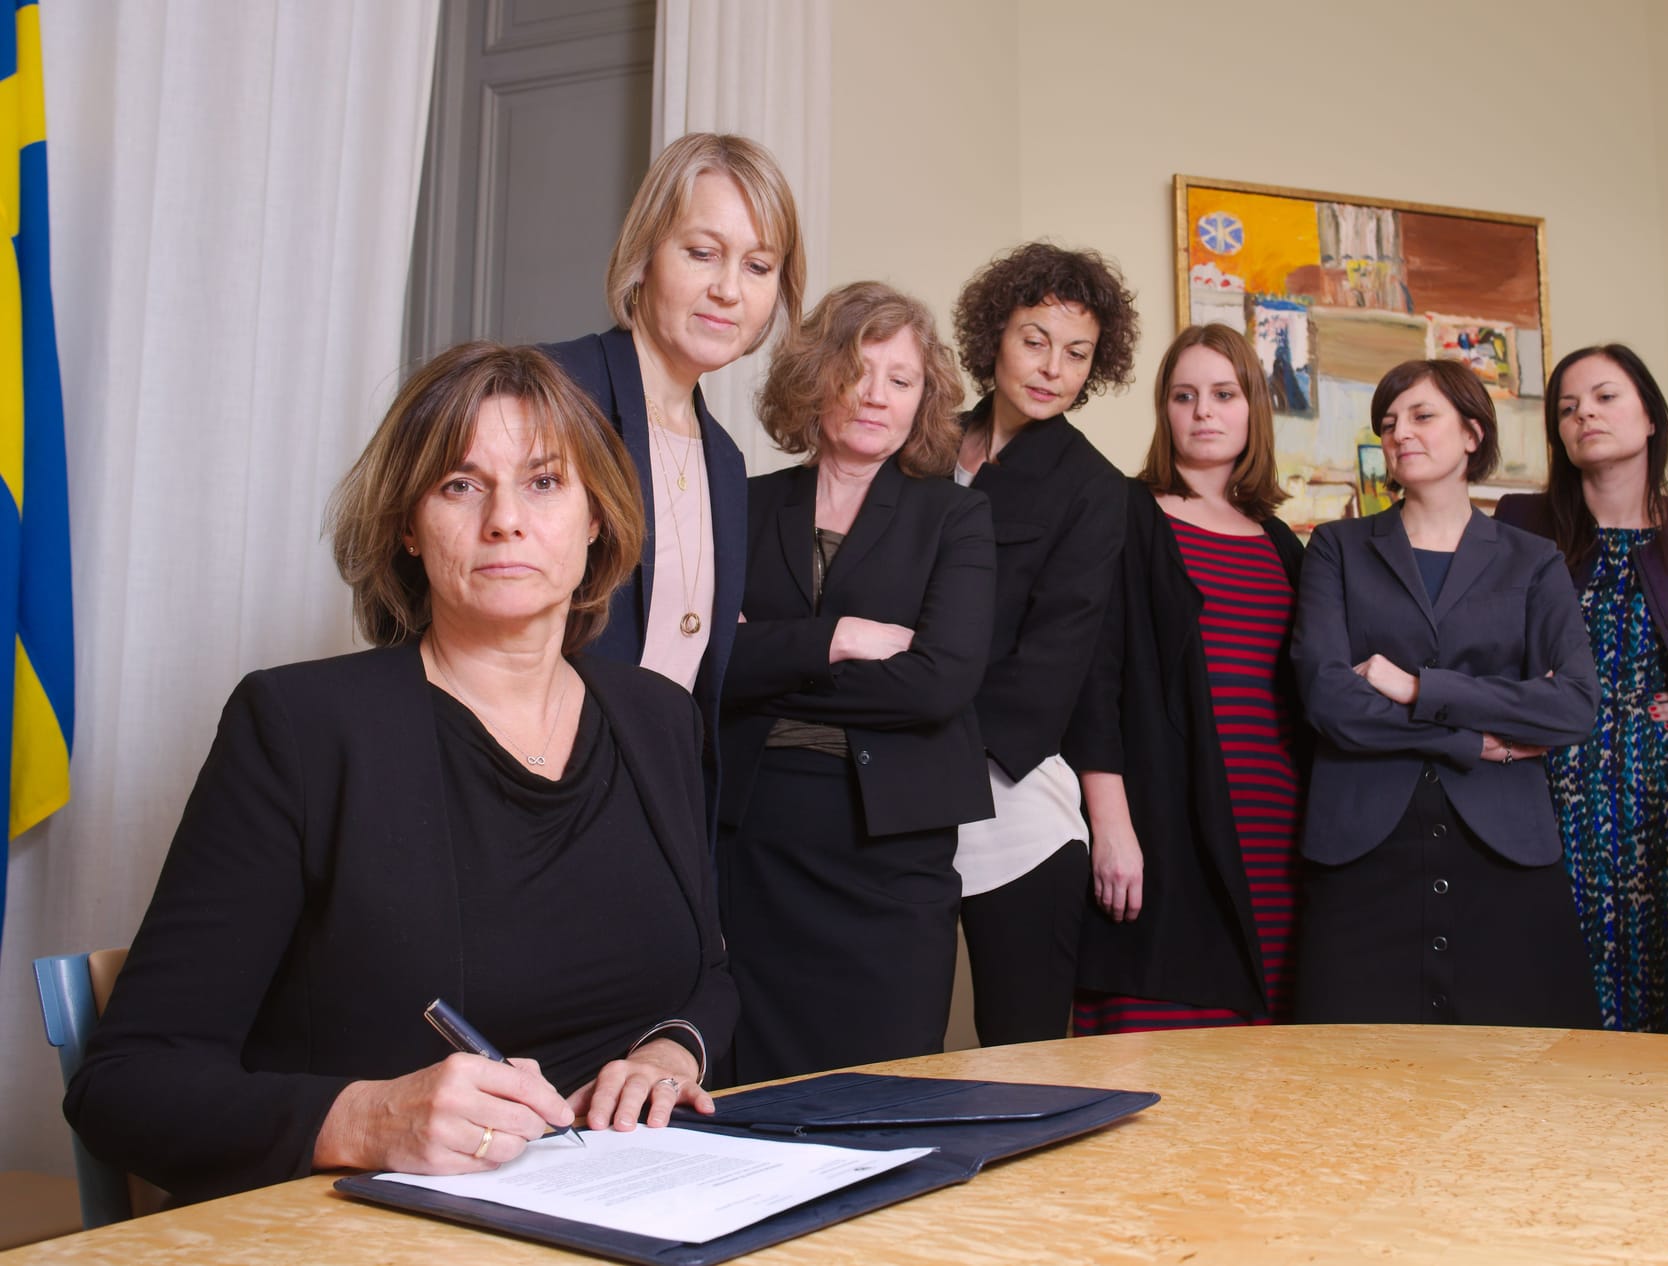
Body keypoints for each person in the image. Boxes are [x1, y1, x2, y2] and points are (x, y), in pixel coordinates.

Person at [63, 344, 735, 1204]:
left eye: (543, 482)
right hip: (385, 1228)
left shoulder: (658, 717)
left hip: (640, 1198)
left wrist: (672, 1050)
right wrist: (368, 1119)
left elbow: (709, 974)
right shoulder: (300, 728)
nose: (505, 520)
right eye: (460, 485)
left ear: (596, 517)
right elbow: (123, 1086)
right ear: (409, 527)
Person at [719, 282, 995, 1083]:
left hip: (892, 846)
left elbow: (939, 683)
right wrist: (839, 639)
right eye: (856, 371)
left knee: (892, 1082)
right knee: (755, 1089)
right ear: (816, 378)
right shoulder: (742, 505)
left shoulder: (955, 516)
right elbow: (706, 665)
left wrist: (770, 656)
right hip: (758, 836)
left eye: (900, 379)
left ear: (923, 399)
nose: (876, 396)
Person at [1290, 358, 1600, 1026]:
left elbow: (1574, 705)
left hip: (1505, 849)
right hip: (1362, 848)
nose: (1400, 432)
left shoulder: (1534, 559)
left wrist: (1417, 686)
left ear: (1472, 433)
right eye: (1388, 422)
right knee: (1349, 1068)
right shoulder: (1336, 549)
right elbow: (1329, 699)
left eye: (1422, 415)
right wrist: (1474, 739)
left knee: (1522, 1067)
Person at [544, 132, 805, 830]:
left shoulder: (726, 461)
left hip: (658, 805)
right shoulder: (554, 390)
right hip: (537, 796)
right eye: (702, 253)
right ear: (645, 255)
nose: (729, 289)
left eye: (758, 266)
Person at [1494, 345, 1668, 1034]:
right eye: (1568, 408)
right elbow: (1478, 646)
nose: (1586, 415)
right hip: (1547, 790)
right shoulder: (1519, 522)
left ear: (1650, 417)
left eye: (1605, 397)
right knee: (1545, 1010)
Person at [1067, 324, 1305, 1032]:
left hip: (1276, 839)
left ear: (1253, 406)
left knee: (1269, 1075)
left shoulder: (1282, 542)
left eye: (1224, 394)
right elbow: (1093, 685)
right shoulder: (1125, 514)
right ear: (1164, 410)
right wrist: (1112, 828)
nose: (1204, 412)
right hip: (1163, 832)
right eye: (1184, 395)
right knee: (1158, 1060)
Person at [949, 241, 1139, 1045]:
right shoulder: (922, 446)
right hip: (892, 780)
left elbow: (1061, 660)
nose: (1053, 368)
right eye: (1035, 340)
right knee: (894, 1038)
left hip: (1013, 793)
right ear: (994, 334)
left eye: (1077, 353)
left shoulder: (1094, 487)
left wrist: (922, 728)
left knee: (1020, 1050)